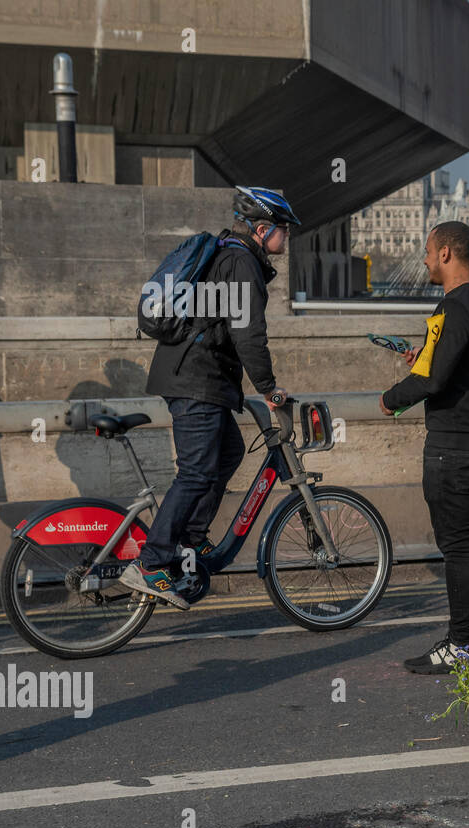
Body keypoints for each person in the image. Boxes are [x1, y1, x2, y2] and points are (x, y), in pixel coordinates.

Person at [121, 185, 297, 608]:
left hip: (203, 380)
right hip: (196, 380)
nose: (287, 237)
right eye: (283, 230)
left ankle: (191, 539)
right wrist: (270, 390)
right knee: (197, 472)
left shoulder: (231, 255)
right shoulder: (240, 261)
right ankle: (152, 561)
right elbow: (249, 335)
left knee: (230, 452)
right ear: (262, 229)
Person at [380, 221, 469, 674]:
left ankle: (460, 643)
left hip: (454, 441)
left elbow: (432, 380)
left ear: (449, 253)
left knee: (457, 546)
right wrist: (426, 358)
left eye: (429, 252)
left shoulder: (451, 307)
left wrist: (390, 399)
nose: (426, 260)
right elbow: (464, 366)